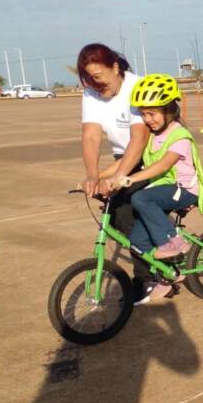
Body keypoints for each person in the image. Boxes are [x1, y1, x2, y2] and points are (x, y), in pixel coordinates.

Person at [111, 74, 203, 304]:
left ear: (168, 111)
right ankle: (169, 276)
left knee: (141, 198)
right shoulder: (152, 135)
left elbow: (163, 165)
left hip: (183, 190)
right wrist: (97, 178)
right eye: (143, 114)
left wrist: (129, 179)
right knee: (137, 242)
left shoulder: (179, 135)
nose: (147, 119)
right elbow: (125, 160)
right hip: (165, 188)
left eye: (152, 113)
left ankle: (175, 241)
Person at [77, 43, 151, 298]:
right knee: (117, 216)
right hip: (123, 157)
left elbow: (139, 139)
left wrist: (119, 178)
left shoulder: (137, 86)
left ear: (115, 67)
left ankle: (148, 278)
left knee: (130, 209)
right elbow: (91, 137)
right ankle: (157, 252)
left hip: (151, 156)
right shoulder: (91, 93)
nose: (96, 84)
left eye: (98, 77)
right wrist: (92, 175)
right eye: (89, 79)